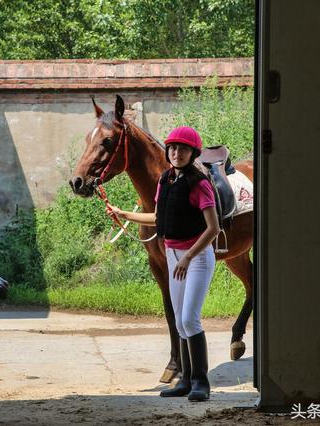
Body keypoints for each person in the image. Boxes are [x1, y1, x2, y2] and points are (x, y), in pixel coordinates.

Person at [107, 126, 219, 402]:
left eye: (182, 149)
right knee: (180, 323)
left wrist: (189, 257)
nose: (176, 153)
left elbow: (213, 228)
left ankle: (201, 383)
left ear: (193, 153)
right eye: (172, 148)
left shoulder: (199, 184)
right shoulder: (165, 180)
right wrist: (124, 214)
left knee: (190, 319)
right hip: (173, 255)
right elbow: (157, 218)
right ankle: (185, 381)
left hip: (197, 258)